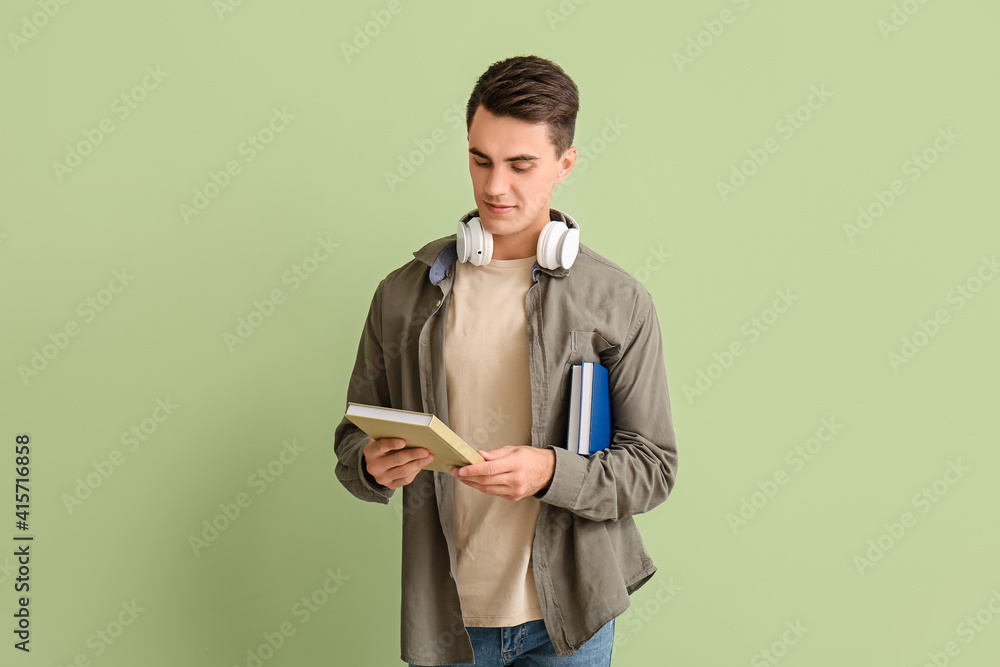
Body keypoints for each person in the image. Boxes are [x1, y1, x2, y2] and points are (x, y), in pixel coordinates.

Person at [334, 55, 678, 666]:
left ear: (565, 164)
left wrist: (549, 472)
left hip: (572, 616)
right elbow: (351, 443)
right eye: (481, 160)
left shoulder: (618, 301)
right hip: (447, 618)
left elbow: (652, 469)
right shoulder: (402, 295)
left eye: (521, 165)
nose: (495, 186)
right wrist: (372, 463)